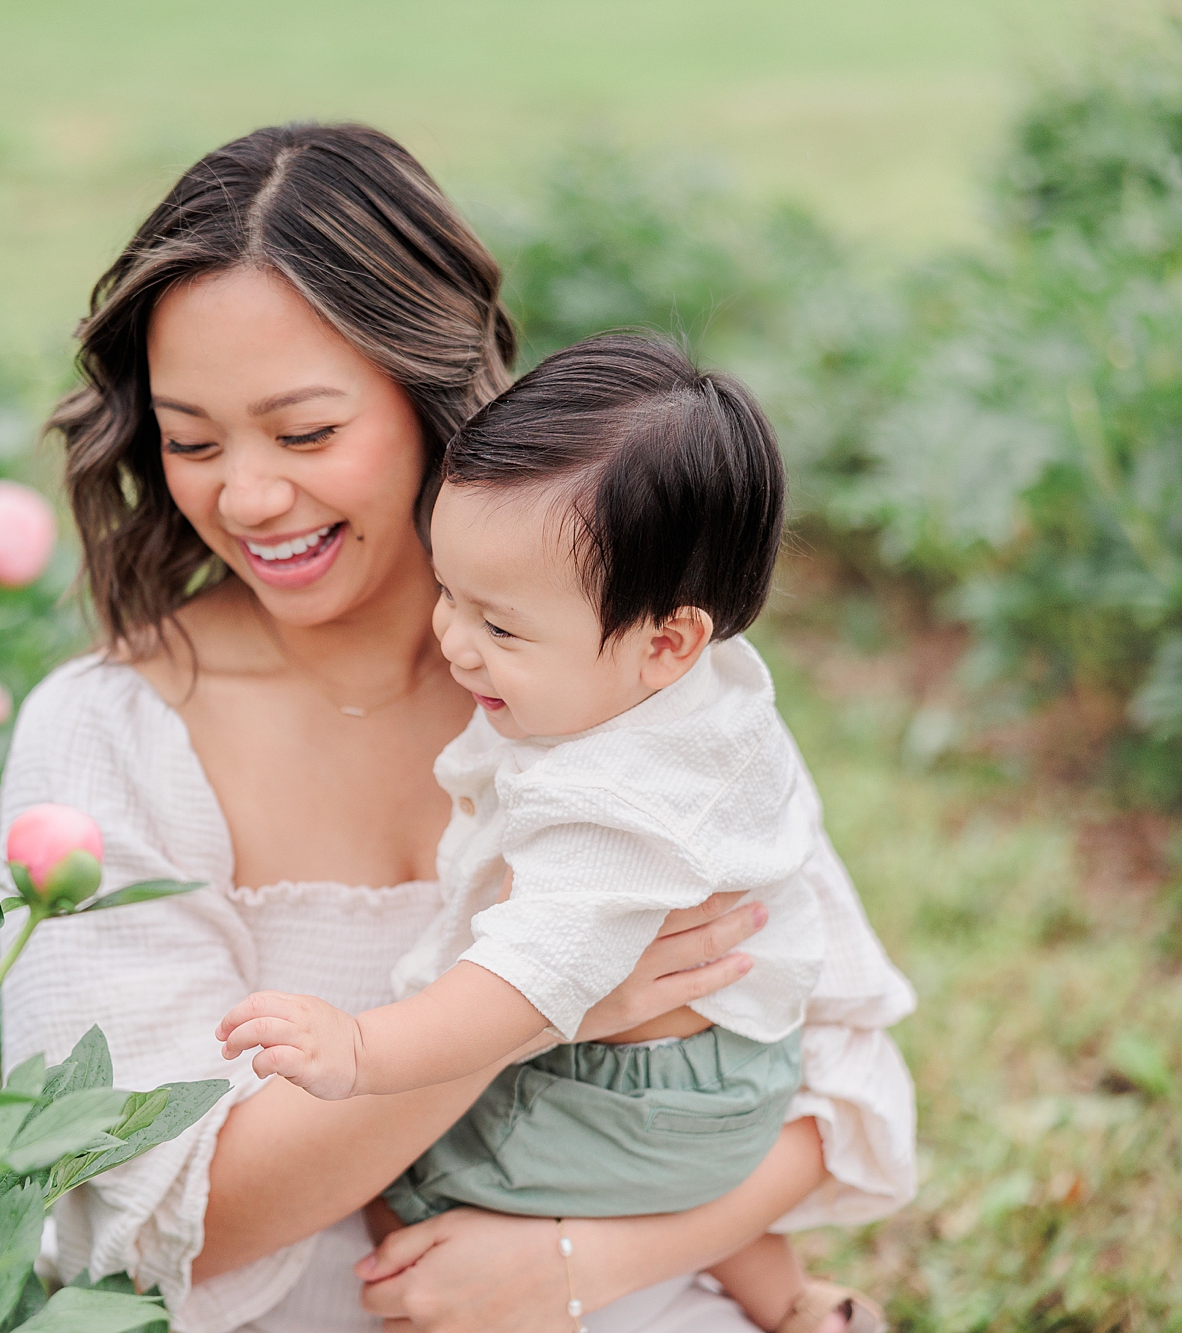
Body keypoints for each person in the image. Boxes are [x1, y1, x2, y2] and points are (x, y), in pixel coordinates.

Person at [0, 122, 916, 1333]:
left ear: (430, 395)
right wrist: (543, 1001)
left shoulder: (630, 686)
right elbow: (136, 1207)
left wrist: (575, 1264)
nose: (250, 495)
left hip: (628, 1286)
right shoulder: (107, 734)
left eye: (307, 432)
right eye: (191, 439)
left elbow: (843, 1076)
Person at [216, 333, 897, 1333]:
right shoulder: (706, 698)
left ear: (666, 640)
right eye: (448, 592)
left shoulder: (613, 805)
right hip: (738, 1074)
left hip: (642, 1094)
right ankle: (794, 1303)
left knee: (397, 1186)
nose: (452, 641)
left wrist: (359, 1046)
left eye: (500, 627)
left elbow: (517, 991)